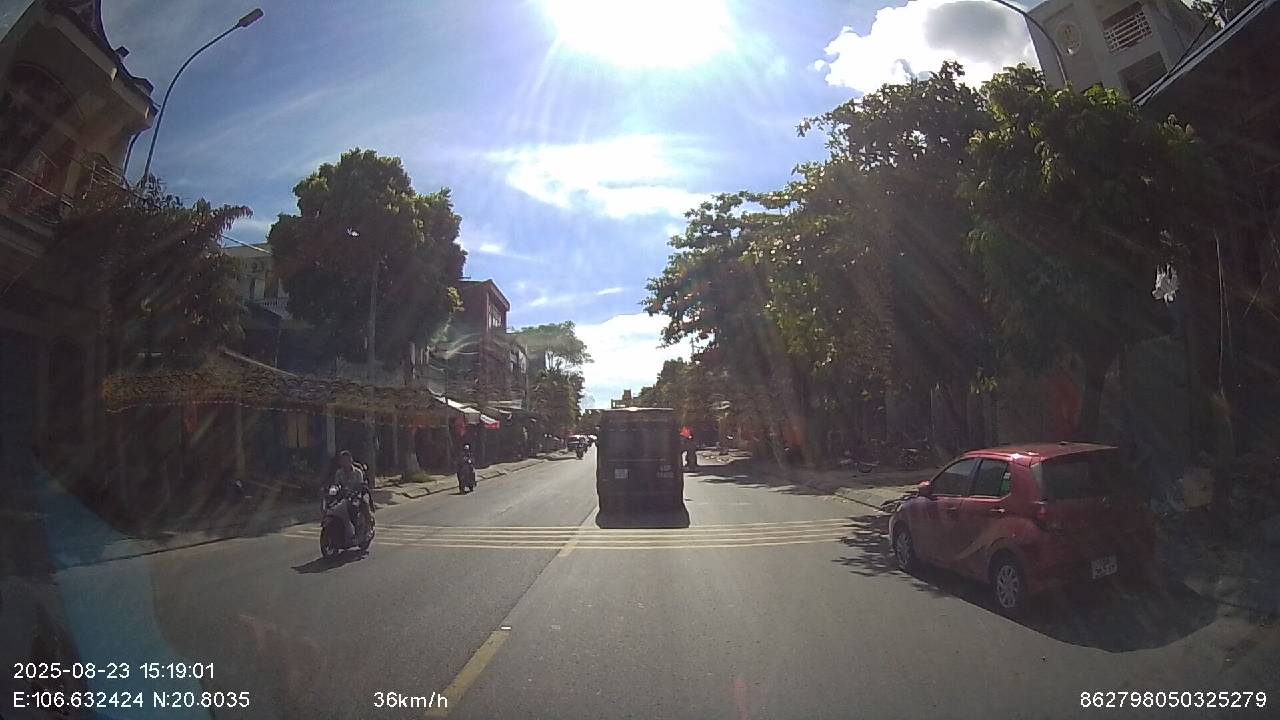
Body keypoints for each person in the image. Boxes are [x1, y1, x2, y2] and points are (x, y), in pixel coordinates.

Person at [334, 450, 374, 530]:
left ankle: (369, 522)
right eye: (342, 461)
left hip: (358, 494)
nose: (344, 463)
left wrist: (354, 492)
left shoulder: (358, 472)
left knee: (363, 503)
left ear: (350, 460)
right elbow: (336, 485)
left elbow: (360, 486)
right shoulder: (338, 473)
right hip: (344, 496)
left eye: (346, 460)